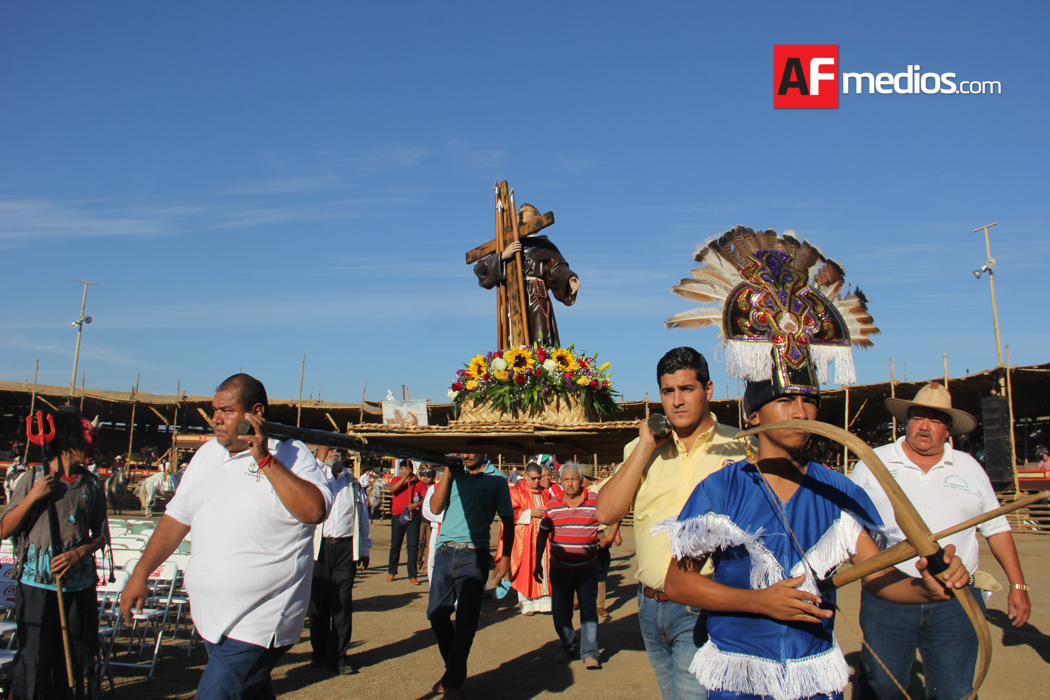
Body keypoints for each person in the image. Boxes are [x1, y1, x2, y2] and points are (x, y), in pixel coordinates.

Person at [661, 378, 970, 700]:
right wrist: (759, 601)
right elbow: (678, 584)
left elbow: (878, 576)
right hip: (740, 678)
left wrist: (926, 590)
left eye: (809, 401)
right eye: (784, 401)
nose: (800, 412)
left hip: (813, 678)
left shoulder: (838, 490)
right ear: (753, 415)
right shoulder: (721, 488)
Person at [120, 373, 331, 700]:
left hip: (260, 619)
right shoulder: (207, 455)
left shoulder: (291, 454)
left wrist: (264, 459)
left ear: (255, 413)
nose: (215, 419)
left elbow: (314, 511)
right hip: (211, 618)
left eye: (227, 411)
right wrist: (141, 573)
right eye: (214, 410)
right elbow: (176, 519)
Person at [850, 382, 1031, 699]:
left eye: (935, 420)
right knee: (882, 690)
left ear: (948, 430)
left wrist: (1018, 585)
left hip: (956, 597)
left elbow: (996, 528)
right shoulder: (872, 462)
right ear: (907, 422)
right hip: (889, 595)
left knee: (954, 691)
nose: (925, 426)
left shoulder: (969, 467)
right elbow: (848, 526)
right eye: (918, 417)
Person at [595, 346, 745, 700]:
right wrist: (644, 447)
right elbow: (606, 513)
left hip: (705, 606)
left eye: (686, 389)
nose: (676, 401)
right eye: (668, 391)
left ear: (708, 390)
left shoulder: (740, 448)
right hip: (649, 606)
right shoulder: (641, 449)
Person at [1, 406, 108, 699]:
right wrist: (34, 497)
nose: (93, 446)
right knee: (35, 655)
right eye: (87, 438)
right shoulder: (32, 478)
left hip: (78, 585)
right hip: (37, 585)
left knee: (72, 656)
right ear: (69, 439)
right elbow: (4, 529)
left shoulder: (92, 484)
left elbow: (101, 537)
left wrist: (78, 554)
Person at [427, 453, 514, 700]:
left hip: (474, 554)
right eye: (462, 451)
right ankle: (455, 670)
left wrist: (505, 557)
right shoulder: (454, 475)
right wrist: (447, 471)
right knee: (436, 614)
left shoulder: (497, 479)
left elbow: (508, 520)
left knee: (466, 620)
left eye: (471, 450)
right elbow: (435, 508)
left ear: (484, 450)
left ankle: (452, 682)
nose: (465, 455)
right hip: (445, 551)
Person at [473, 204, 580, 347]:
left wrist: (570, 278)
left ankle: (540, 359)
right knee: (513, 335)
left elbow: (557, 267)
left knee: (540, 332)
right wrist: (503, 255)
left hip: (536, 293)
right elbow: (481, 268)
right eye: (519, 212)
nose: (521, 214)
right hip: (513, 293)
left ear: (536, 217)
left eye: (526, 211)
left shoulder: (545, 246)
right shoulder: (507, 243)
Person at [308, 447, 371, 675]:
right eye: (330, 448)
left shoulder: (352, 483)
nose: (334, 453)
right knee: (318, 604)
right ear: (321, 452)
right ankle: (319, 653)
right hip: (319, 548)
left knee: (342, 604)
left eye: (338, 449)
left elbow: (362, 516)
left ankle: (339, 656)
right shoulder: (314, 477)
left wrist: (365, 548)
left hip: (345, 548)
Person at [534, 462, 603, 669]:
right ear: (560, 481)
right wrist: (537, 563)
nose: (570, 483)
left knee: (588, 611)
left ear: (581, 481)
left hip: (587, 569)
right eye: (566, 480)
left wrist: (611, 535)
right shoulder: (552, 505)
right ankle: (568, 645)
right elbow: (542, 534)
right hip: (560, 570)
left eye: (574, 479)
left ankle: (590, 653)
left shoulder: (596, 501)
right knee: (560, 612)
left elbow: (615, 512)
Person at [497, 462, 551, 615]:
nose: (537, 481)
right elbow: (508, 515)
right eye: (533, 478)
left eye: (539, 478)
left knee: (545, 566)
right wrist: (529, 513)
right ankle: (527, 604)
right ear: (525, 476)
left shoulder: (545, 493)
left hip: (544, 540)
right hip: (525, 540)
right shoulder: (515, 492)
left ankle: (545, 603)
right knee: (525, 569)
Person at [582, 464, 621, 617]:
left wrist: (614, 534)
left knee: (600, 569)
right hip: (581, 533)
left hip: (598, 533)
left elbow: (614, 509)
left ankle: (599, 604)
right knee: (578, 567)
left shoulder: (598, 491)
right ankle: (577, 599)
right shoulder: (573, 494)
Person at [387, 459, 428, 584]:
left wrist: (416, 504)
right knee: (395, 545)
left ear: (410, 470)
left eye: (403, 469)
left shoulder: (419, 483)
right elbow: (392, 489)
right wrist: (404, 479)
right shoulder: (396, 479)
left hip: (413, 516)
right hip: (398, 515)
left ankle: (412, 575)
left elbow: (426, 499)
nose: (401, 471)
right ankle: (392, 571)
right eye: (400, 469)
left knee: (413, 546)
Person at [417, 468, 436, 575]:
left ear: (433, 478)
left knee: (429, 544)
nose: (425, 478)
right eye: (424, 476)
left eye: (428, 476)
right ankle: (417, 563)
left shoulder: (435, 488)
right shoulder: (420, 486)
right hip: (420, 518)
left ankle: (426, 566)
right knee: (419, 542)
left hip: (430, 519)